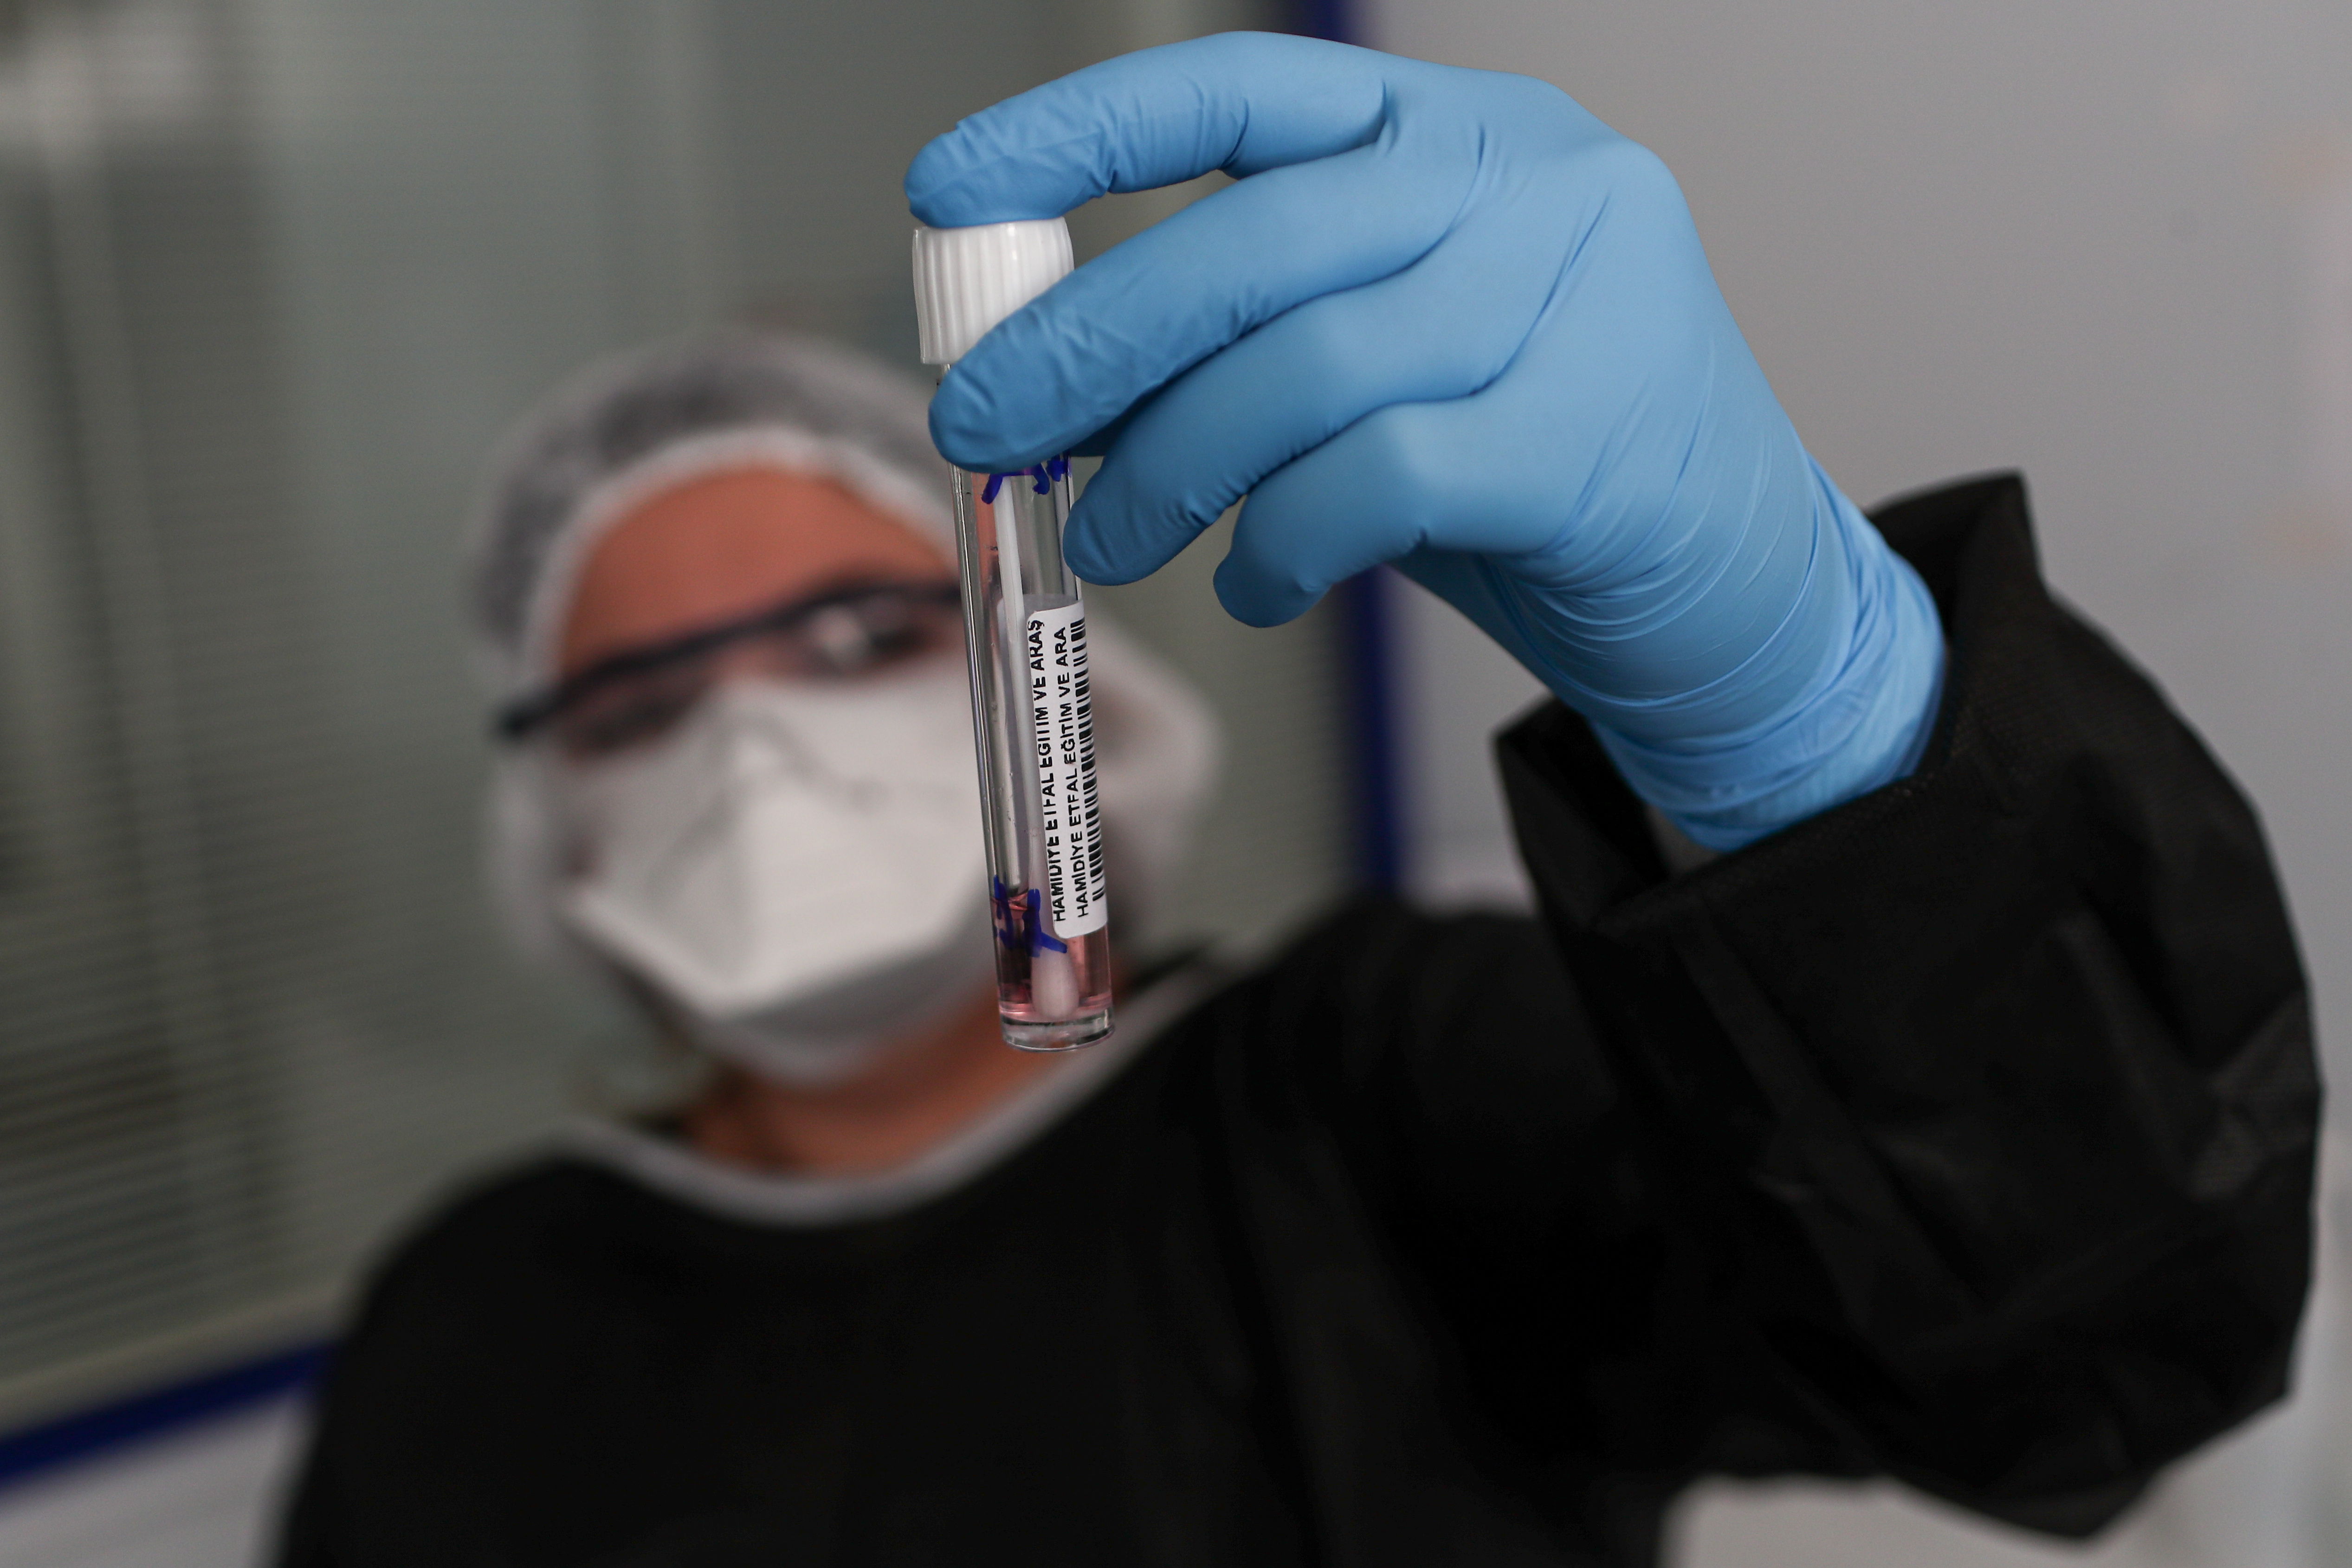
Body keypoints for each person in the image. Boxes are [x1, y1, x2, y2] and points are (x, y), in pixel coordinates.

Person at [276, 34, 2317, 1568]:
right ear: (544, 816)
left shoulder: (1370, 1098)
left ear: (1036, 663)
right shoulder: (473, 1317)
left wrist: (1819, 737)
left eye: (849, 637)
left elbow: (2088, 1355)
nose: (755, 745)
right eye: (642, 696)